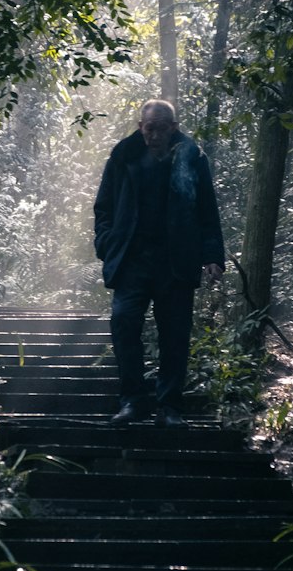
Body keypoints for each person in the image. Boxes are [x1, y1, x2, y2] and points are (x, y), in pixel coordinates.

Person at [93, 98, 225, 427]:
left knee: (175, 335)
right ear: (141, 127)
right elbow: (104, 206)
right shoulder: (123, 156)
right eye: (149, 128)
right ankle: (133, 402)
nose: (154, 136)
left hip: (176, 262)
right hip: (131, 261)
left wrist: (212, 256)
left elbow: (208, 211)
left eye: (161, 129)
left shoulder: (192, 158)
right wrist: (107, 244)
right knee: (123, 324)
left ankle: (169, 408)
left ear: (173, 128)